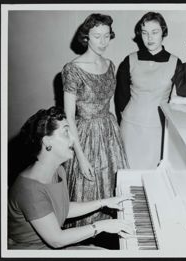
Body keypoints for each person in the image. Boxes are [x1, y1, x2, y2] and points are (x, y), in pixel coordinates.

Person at [8, 107, 134, 250]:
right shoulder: (29, 190)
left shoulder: (58, 170)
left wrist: (104, 202)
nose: (74, 138)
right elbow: (57, 240)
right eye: (66, 132)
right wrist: (102, 226)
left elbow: (63, 209)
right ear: (47, 142)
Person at [62, 13, 128, 227]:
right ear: (86, 37)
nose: (102, 42)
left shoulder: (110, 65)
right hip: (84, 135)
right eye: (97, 36)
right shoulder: (72, 69)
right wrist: (80, 157)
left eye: (106, 36)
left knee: (113, 185)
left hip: (109, 132)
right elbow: (69, 117)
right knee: (87, 189)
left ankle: (112, 233)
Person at [115, 12, 182, 169]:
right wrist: (126, 116)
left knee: (152, 174)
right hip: (130, 126)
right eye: (145, 33)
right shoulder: (129, 60)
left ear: (163, 33)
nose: (149, 38)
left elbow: (177, 101)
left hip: (158, 129)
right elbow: (121, 97)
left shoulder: (176, 63)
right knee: (129, 172)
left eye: (155, 32)